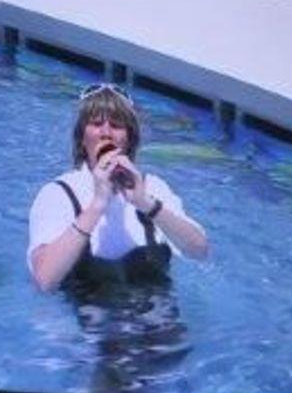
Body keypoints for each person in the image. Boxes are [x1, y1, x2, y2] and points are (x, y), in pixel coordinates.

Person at [28, 85, 210, 294]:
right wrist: (97, 206)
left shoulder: (153, 188)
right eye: (96, 124)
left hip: (159, 313)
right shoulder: (59, 194)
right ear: (81, 138)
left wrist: (145, 203)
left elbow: (199, 251)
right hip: (89, 314)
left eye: (116, 126)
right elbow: (44, 280)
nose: (106, 133)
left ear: (129, 139)